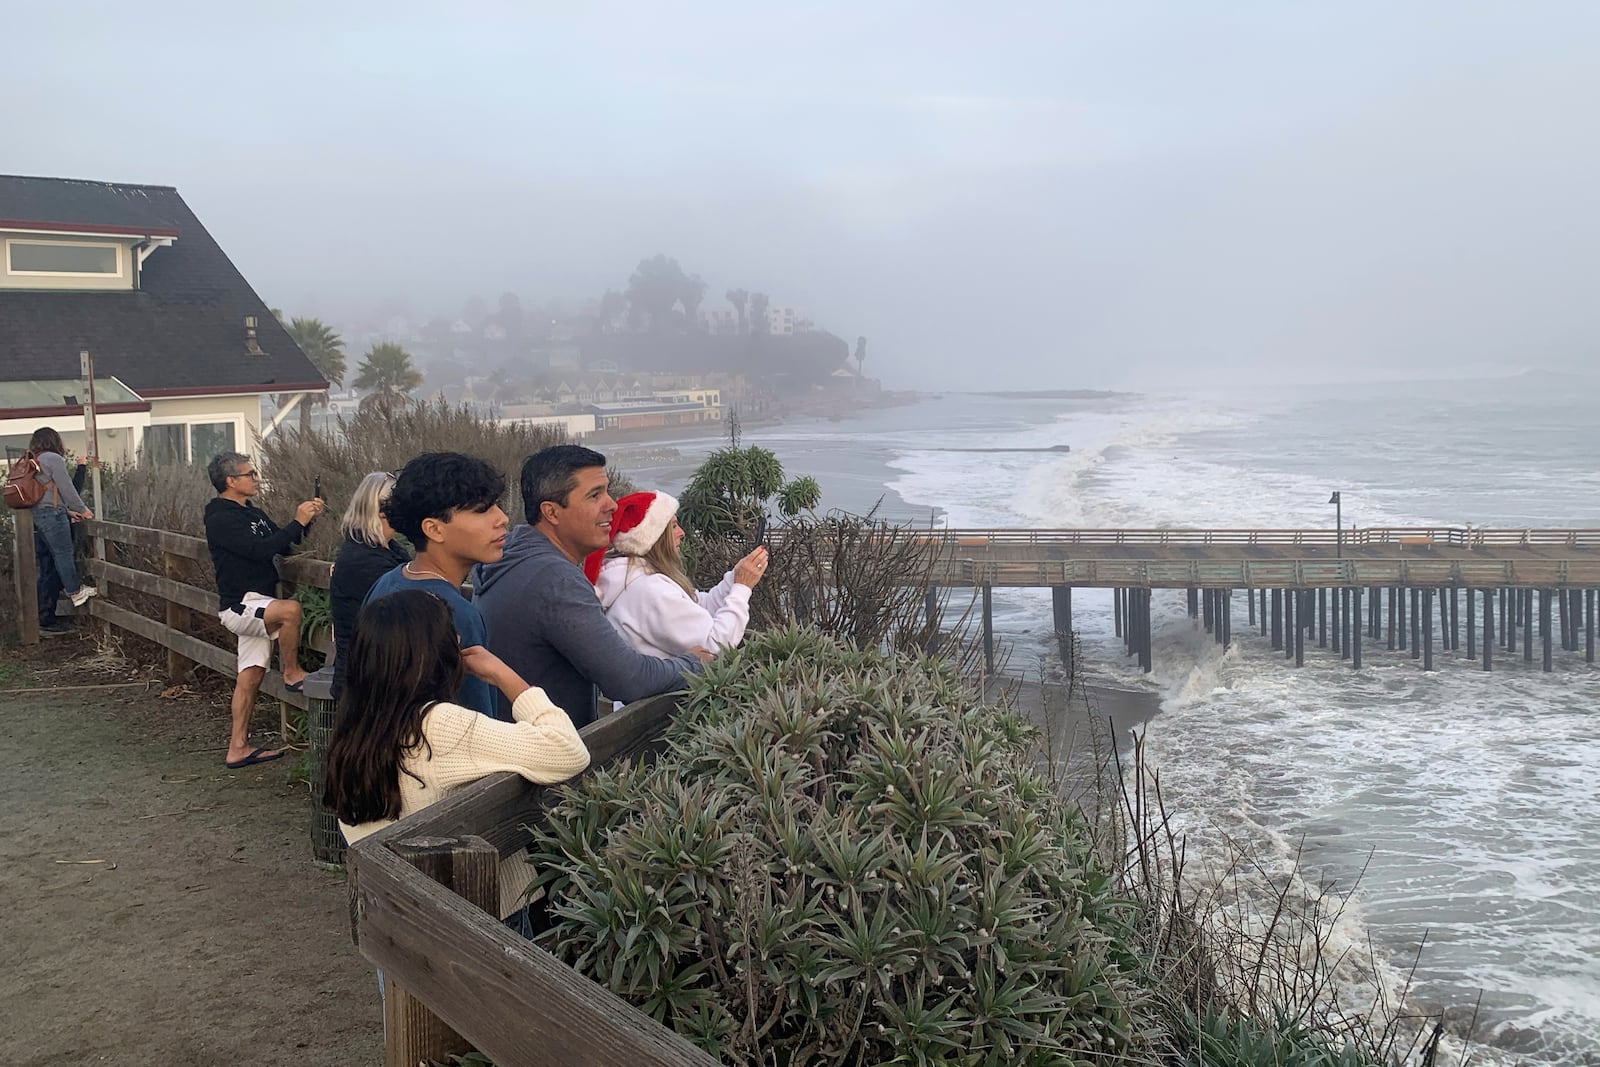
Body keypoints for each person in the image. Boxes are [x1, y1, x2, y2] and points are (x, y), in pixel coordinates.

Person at [323, 589, 589, 918]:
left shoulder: (356, 731)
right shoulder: (438, 726)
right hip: (483, 915)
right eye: (452, 633)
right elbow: (568, 752)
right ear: (432, 653)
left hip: (396, 920)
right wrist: (503, 675)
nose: (460, 639)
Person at [475, 445, 708, 728]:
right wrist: (694, 662)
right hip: (550, 758)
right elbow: (629, 680)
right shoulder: (554, 581)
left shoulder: (515, 556)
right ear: (551, 512)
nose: (611, 505)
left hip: (517, 741)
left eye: (607, 491)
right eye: (594, 495)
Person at [203, 451, 325, 769]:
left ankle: (238, 747)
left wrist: (305, 520)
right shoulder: (220, 518)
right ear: (231, 481)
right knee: (290, 611)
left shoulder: (253, 514)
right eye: (250, 474)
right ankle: (292, 672)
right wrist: (296, 520)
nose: (256, 478)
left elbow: (282, 544)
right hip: (240, 605)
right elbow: (257, 551)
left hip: (259, 603)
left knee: (251, 676)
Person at [364, 452, 507, 720]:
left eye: (497, 505)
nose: (501, 519)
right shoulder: (455, 613)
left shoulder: (389, 582)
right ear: (434, 529)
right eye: (482, 510)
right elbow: (478, 723)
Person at [589, 490, 770, 657]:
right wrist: (742, 588)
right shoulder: (649, 590)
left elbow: (699, 606)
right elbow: (713, 646)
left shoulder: (636, 577)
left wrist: (734, 578)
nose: (681, 533)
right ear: (655, 536)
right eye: (674, 526)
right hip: (668, 691)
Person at [329, 471, 410, 701]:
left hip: (368, 681)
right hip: (364, 688)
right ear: (382, 510)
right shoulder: (365, 560)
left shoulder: (379, 549)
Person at [24, 427, 97, 635]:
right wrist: (82, 509)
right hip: (53, 516)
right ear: (54, 441)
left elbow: (46, 493)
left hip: (38, 516)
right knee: (63, 555)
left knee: (47, 566)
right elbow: (66, 488)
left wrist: (67, 511)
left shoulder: (35, 460)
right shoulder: (53, 459)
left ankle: (44, 618)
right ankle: (75, 591)